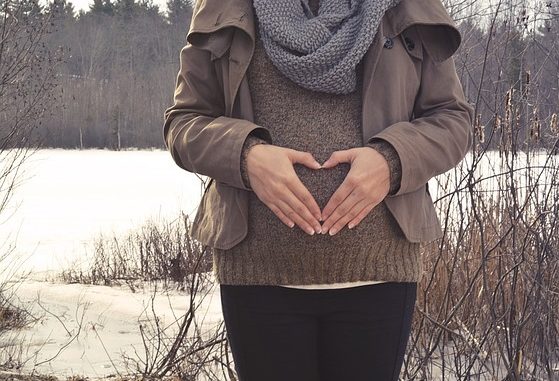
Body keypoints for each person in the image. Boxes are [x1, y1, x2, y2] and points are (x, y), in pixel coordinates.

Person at [162, 0, 474, 379]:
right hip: (259, 278)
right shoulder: (227, 4)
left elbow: (452, 120)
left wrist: (391, 160)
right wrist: (247, 156)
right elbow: (184, 123)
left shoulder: (405, 5)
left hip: (379, 277)